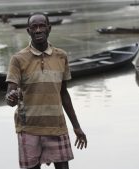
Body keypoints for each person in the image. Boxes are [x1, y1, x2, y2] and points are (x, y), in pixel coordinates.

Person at [5, 12, 87, 169]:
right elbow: (10, 95)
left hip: (57, 126)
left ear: (49, 29)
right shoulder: (18, 59)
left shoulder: (61, 56)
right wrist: (11, 97)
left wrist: (76, 126)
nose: (38, 30)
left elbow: (64, 94)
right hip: (28, 129)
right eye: (33, 27)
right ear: (28, 31)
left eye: (42, 26)